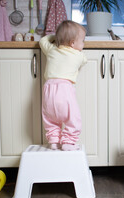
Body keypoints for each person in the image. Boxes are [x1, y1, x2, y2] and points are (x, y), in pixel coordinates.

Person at [39, 20, 87, 151]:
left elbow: (43, 41)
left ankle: (54, 141)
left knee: (50, 119)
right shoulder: (79, 55)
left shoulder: (52, 49)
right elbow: (85, 60)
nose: (83, 43)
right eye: (82, 40)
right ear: (72, 43)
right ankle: (68, 142)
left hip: (48, 89)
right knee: (73, 117)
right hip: (64, 89)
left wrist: (56, 37)